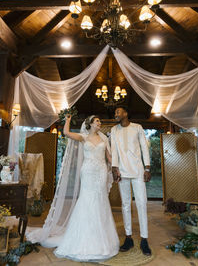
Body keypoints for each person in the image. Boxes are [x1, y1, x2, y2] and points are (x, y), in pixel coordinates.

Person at [53, 114, 119, 261]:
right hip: (88, 171)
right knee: (87, 199)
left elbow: (109, 157)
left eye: (100, 121)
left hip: (101, 171)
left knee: (100, 199)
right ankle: (83, 237)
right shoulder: (83, 137)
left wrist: (117, 167)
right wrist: (68, 121)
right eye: (97, 121)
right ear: (90, 124)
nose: (100, 123)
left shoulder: (104, 138)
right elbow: (66, 133)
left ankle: (101, 237)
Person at [111, 106, 152, 256]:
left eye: (118, 112)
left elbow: (144, 148)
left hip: (138, 171)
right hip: (122, 172)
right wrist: (114, 169)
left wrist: (147, 168)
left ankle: (144, 239)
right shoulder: (114, 130)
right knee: (126, 205)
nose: (115, 114)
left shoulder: (137, 128)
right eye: (115, 112)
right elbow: (114, 150)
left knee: (141, 203)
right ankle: (128, 238)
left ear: (126, 114)